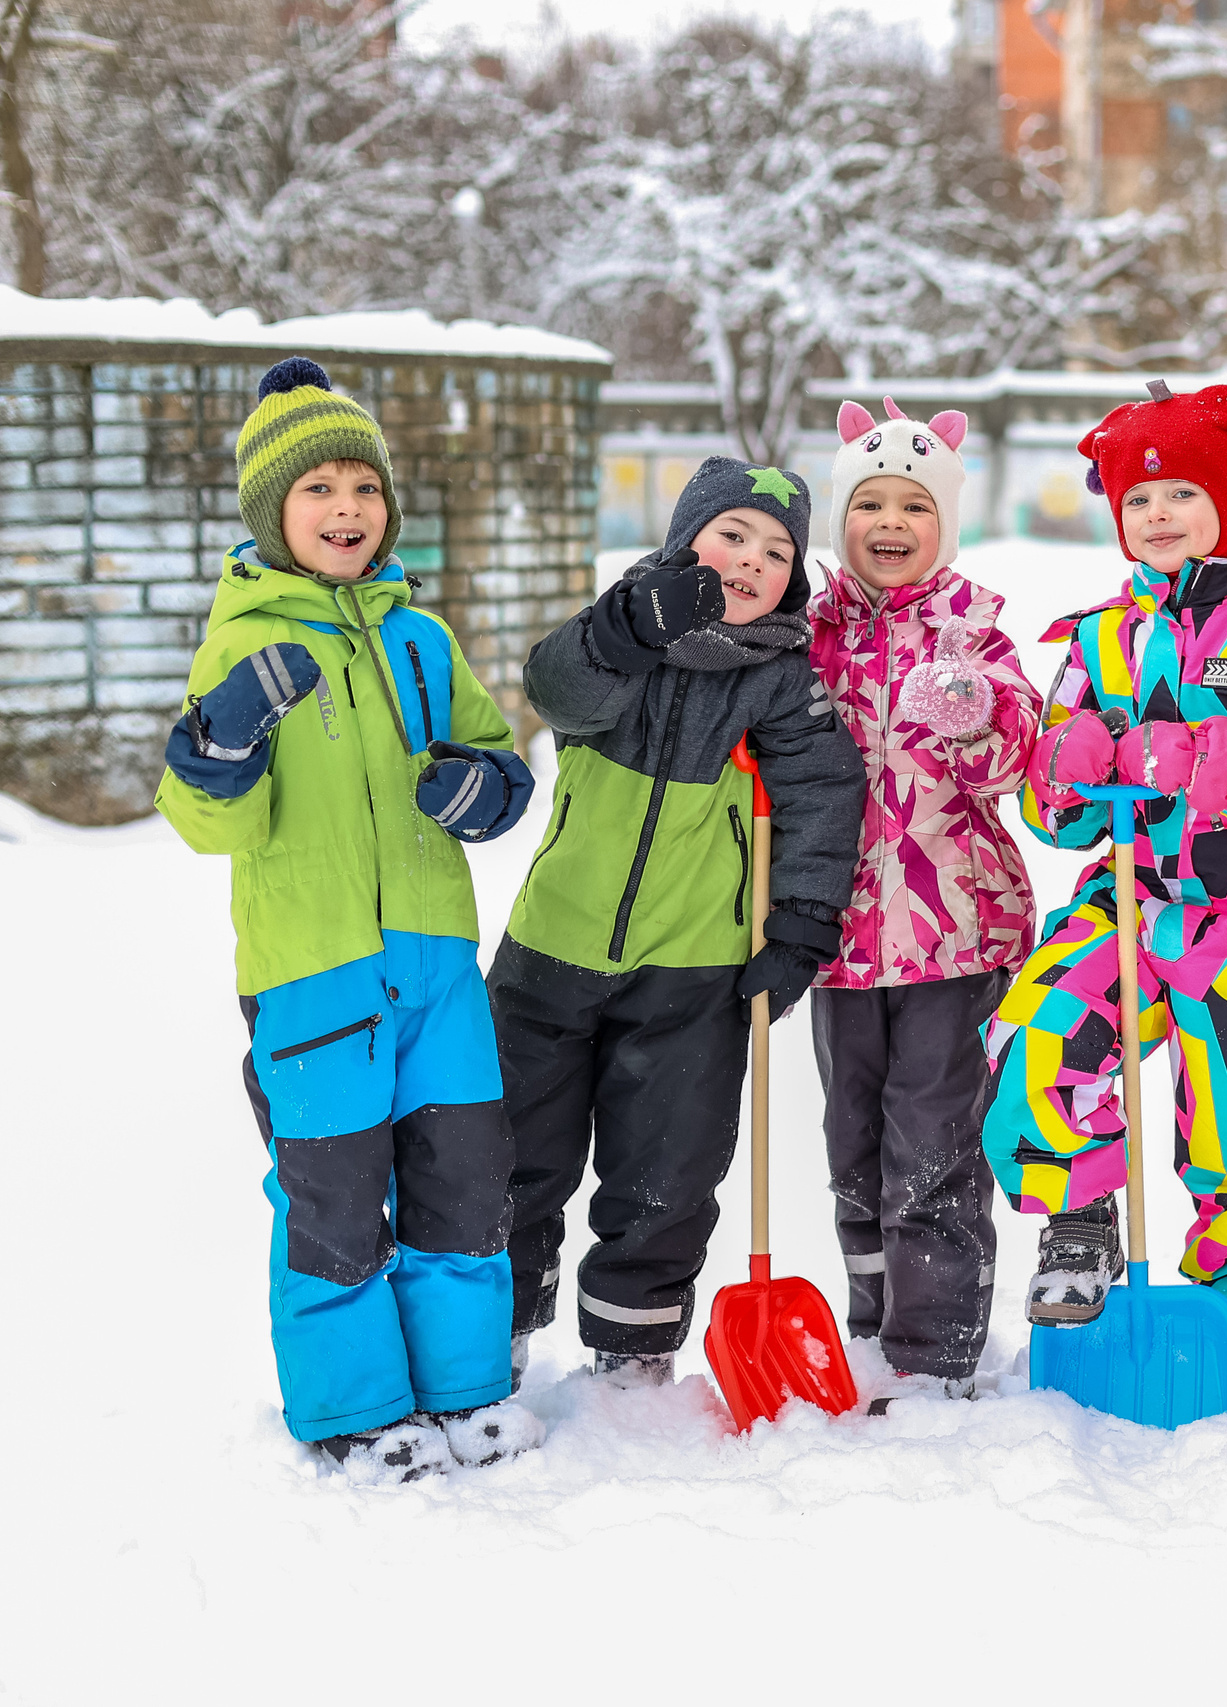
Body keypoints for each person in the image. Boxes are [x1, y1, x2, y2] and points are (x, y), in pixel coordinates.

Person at [156, 357, 539, 1483]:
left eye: (364, 487)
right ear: (271, 512)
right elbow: (205, 819)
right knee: (331, 1195)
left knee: (463, 1182)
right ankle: (357, 1409)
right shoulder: (244, 644)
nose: (346, 508)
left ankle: (466, 1389)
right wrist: (221, 742)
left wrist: (485, 790)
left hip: (437, 967)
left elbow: (493, 755)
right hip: (314, 968)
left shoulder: (421, 640)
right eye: (318, 488)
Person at [980, 383, 1227, 1400]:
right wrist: (1062, 772)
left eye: (1183, 493)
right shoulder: (1095, 641)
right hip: (1129, 898)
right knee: (1035, 1037)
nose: (1158, 515)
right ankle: (1080, 1223)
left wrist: (1217, 764)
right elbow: (1052, 814)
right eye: (1138, 500)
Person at [489, 457, 865, 1390]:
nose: (751, 561)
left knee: (667, 1169)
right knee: (512, 1154)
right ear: (683, 541)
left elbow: (824, 793)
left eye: (776, 552)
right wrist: (627, 630)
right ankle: (496, 1330)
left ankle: (632, 1351)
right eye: (732, 535)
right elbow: (555, 689)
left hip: (695, 968)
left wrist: (801, 924)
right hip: (553, 947)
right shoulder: (621, 630)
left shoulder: (782, 678)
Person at [804, 399, 1044, 1404]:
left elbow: (1018, 758)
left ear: (944, 523)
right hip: (836, 939)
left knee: (933, 1144)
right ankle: (873, 1320)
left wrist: (975, 712)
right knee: (853, 1143)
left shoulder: (973, 633)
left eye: (915, 504)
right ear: (841, 519)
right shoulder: (805, 634)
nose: (890, 522)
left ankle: (935, 1345)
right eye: (870, 504)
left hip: (956, 935)